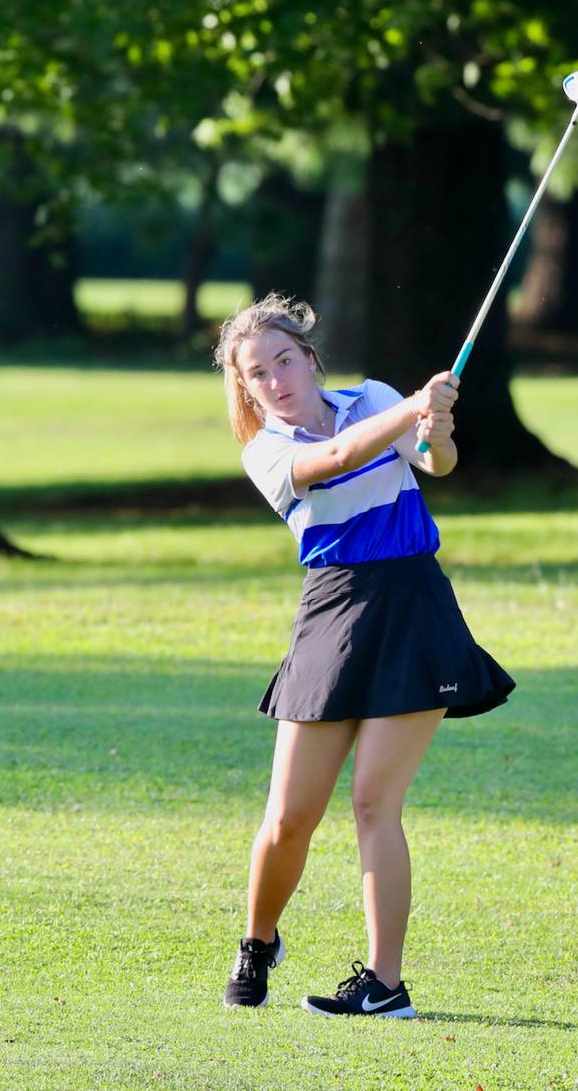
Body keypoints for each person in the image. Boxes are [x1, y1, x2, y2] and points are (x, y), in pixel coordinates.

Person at [216, 293, 515, 1018]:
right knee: (290, 817)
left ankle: (385, 984)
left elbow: (435, 463)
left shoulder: (372, 398)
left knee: (375, 803)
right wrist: (414, 405)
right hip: (334, 610)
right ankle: (259, 941)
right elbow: (341, 456)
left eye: (285, 359)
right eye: (258, 373)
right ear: (247, 390)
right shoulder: (269, 451)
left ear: (311, 359)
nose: (277, 378)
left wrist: (434, 426)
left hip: (415, 605)